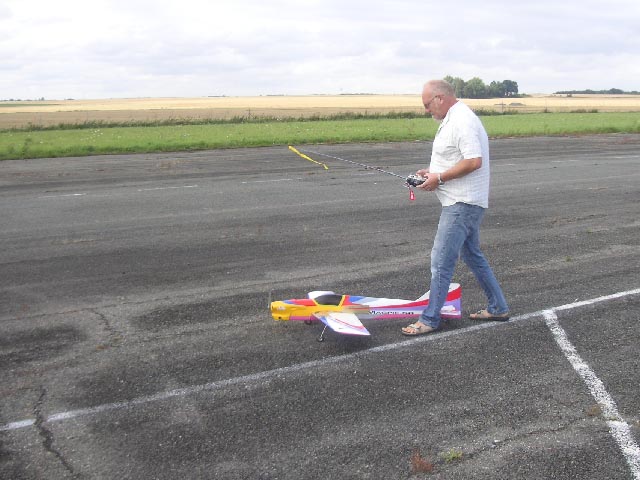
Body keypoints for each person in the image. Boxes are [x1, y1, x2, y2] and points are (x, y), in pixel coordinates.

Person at [401, 80, 510, 336]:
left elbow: (473, 161)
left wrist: (439, 178)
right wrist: (432, 172)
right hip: (463, 202)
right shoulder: (454, 118)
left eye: (427, 105)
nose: (426, 110)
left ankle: (430, 319)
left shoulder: (462, 120)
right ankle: (498, 307)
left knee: (441, 262)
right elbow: (458, 158)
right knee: (472, 256)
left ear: (440, 98)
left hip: (461, 204)